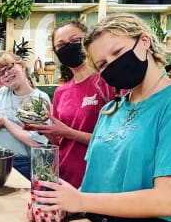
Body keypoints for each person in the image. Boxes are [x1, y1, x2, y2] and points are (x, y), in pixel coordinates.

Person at [30, 13, 171, 222]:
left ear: (144, 42)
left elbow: (168, 199)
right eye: (103, 64)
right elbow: (95, 182)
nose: (113, 66)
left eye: (117, 52)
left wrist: (81, 200)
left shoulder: (169, 106)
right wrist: (64, 205)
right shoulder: (111, 111)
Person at [25, 21, 116, 188]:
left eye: (75, 41)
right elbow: (60, 141)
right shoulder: (61, 92)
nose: (68, 47)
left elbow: (116, 141)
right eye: (61, 44)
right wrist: (43, 129)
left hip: (97, 180)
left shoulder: (107, 83)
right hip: (66, 178)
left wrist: (69, 132)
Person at [0, 52, 49, 179]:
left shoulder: (39, 99)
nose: (6, 74)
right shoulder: (2, 93)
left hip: (24, 163)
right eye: (1, 74)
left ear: (23, 66)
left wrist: (5, 123)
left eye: (9, 68)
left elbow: (36, 142)